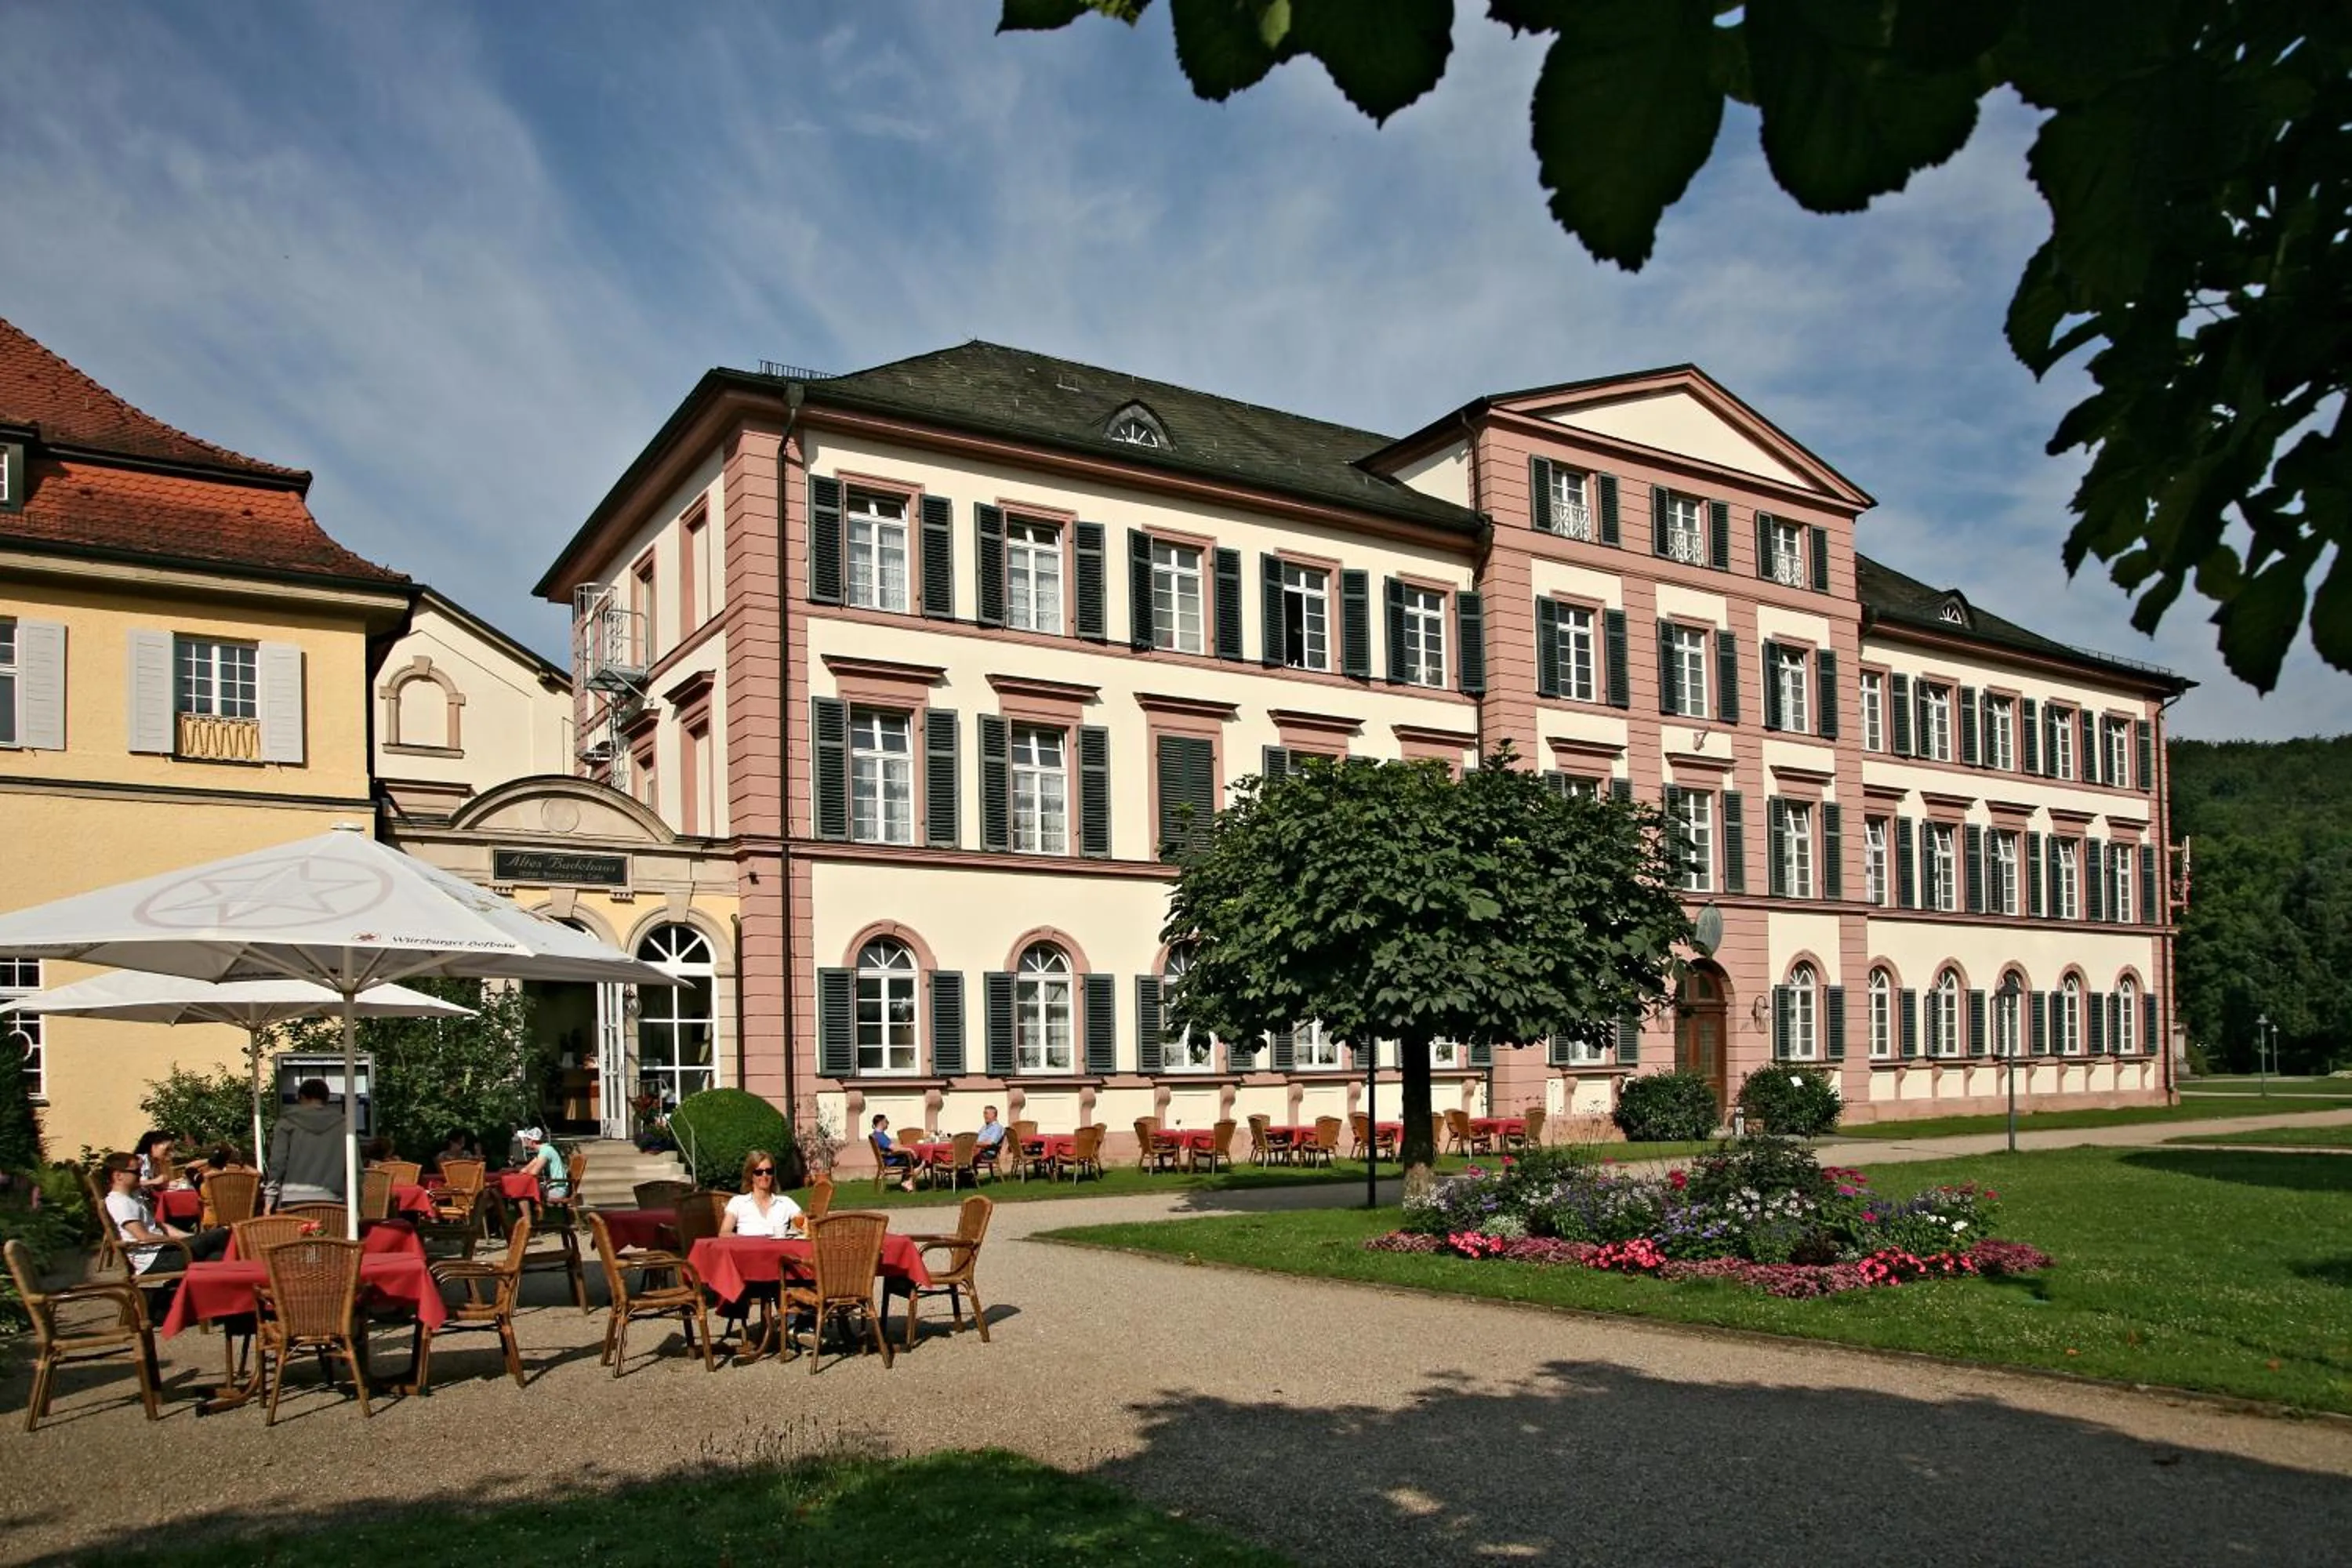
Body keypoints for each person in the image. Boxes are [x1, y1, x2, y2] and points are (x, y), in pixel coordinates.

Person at [102, 1152, 228, 1310]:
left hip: (163, 1251)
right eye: (136, 1172)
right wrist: (180, 1242)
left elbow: (160, 1227)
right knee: (224, 1233)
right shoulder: (120, 1203)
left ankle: (206, 1306)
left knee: (218, 1256)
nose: (140, 1175)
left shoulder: (131, 1199)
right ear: (118, 1176)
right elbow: (143, 1236)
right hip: (155, 1259)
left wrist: (192, 1237)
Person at [266, 1078, 347, 1210]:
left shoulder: (286, 1122)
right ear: (326, 1099)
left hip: (292, 1200)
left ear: (302, 1097)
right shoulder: (344, 1125)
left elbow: (278, 1162)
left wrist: (270, 1198)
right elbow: (355, 1168)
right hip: (332, 1200)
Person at [719, 1149, 803, 1237]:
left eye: (769, 1171)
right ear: (751, 1175)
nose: (765, 1176)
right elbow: (724, 1233)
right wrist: (746, 1240)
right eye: (759, 1172)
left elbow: (805, 1225)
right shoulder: (738, 1202)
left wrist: (795, 1230)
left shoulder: (786, 1203)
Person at [516, 1128, 568, 1200]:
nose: (525, 1141)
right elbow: (527, 1168)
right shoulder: (544, 1150)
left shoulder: (545, 1151)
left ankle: (533, 1208)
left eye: (526, 1139)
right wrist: (523, 1171)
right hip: (553, 1186)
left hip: (558, 1189)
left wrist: (524, 1172)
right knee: (524, 1191)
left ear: (532, 1141)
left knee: (524, 1192)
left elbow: (534, 1172)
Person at [870, 1114, 916, 1192]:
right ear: (881, 1123)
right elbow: (893, 1149)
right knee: (917, 1160)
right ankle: (907, 1182)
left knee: (910, 1157)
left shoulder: (876, 1134)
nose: (888, 1123)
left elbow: (891, 1148)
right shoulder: (880, 1136)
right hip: (891, 1160)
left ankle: (906, 1181)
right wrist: (909, 1150)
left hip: (888, 1159)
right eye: (886, 1122)